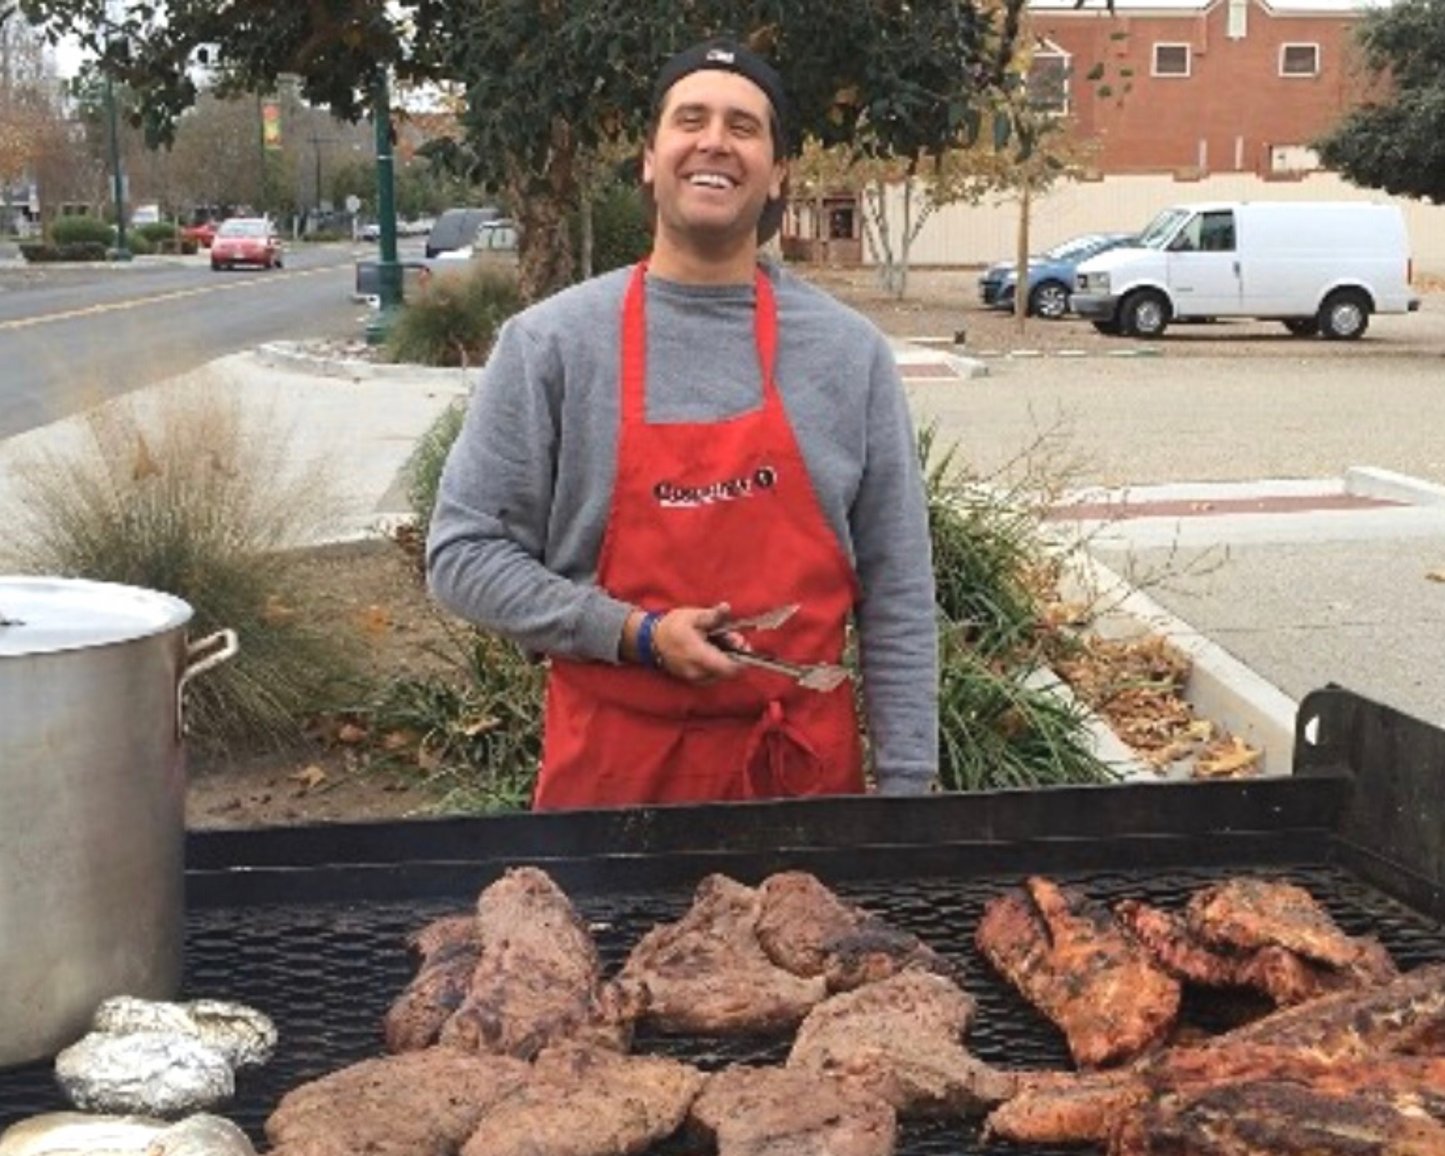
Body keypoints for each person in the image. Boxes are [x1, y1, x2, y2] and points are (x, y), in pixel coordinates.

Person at [426, 37, 938, 808]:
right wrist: (630, 633)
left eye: (743, 126)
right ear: (648, 157)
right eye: (689, 119)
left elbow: (897, 589)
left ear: (777, 173)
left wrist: (907, 794)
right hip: (607, 791)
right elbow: (462, 556)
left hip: (799, 789)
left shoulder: (847, 353)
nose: (713, 142)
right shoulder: (551, 344)